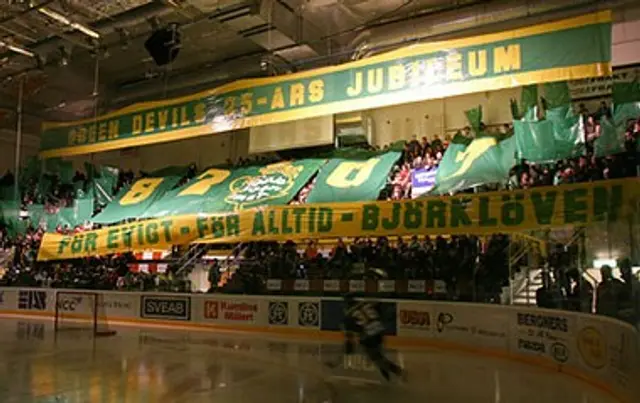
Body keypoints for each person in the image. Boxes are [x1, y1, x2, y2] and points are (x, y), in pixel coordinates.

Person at [342, 294, 406, 381]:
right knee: (379, 357)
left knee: (377, 359)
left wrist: (349, 348)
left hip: (369, 335)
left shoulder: (348, 315)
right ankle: (390, 376)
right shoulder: (365, 304)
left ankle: (398, 372)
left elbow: (350, 337)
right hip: (379, 330)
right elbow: (379, 310)